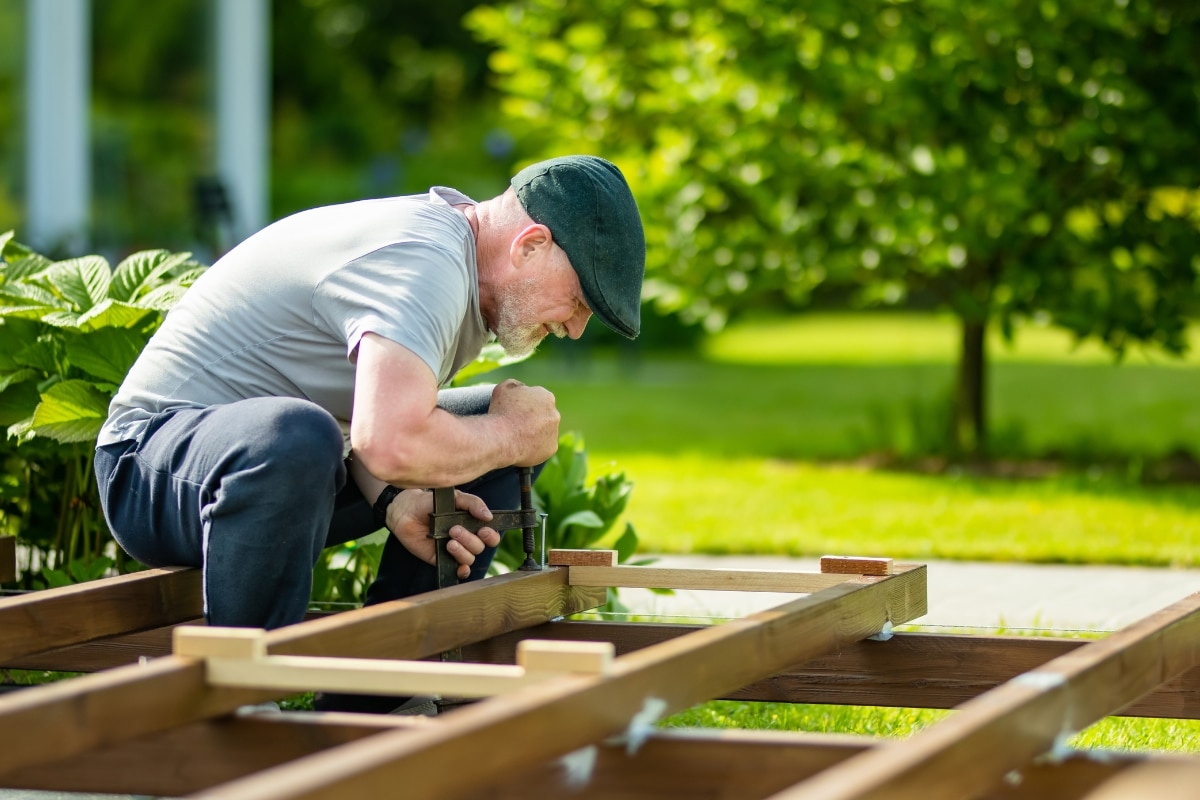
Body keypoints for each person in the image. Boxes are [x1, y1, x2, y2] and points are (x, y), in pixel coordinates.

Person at [94, 155, 645, 640]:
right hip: (151, 465)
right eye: (577, 301)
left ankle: (384, 698)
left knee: (479, 426)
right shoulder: (424, 261)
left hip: (288, 462)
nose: (575, 328)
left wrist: (393, 498)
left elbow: (360, 421)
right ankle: (244, 707)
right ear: (530, 246)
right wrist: (508, 436)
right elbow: (387, 442)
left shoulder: (468, 276)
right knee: (482, 431)